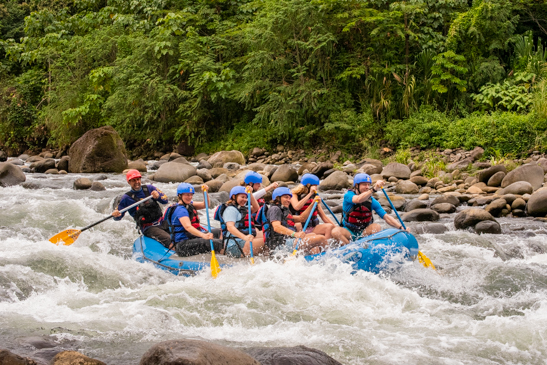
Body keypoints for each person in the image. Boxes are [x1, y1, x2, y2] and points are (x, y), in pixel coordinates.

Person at [340, 173, 407, 244]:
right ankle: (348, 248)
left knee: (376, 227)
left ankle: (367, 246)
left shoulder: (372, 201)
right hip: (349, 231)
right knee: (336, 232)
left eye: (368, 185)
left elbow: (386, 217)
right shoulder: (348, 195)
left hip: (364, 232)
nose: (367, 187)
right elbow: (358, 199)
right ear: (356, 185)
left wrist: (400, 227)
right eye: (364, 184)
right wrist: (373, 189)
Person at [113, 169, 171, 247]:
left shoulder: (150, 188)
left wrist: (158, 197)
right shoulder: (126, 198)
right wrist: (116, 214)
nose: (137, 182)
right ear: (129, 182)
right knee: (169, 239)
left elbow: (165, 200)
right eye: (133, 180)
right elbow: (118, 217)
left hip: (161, 222)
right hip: (148, 227)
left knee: (180, 232)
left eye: (138, 179)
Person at [164, 183, 224, 257]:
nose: (189, 197)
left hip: (192, 238)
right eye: (187, 195)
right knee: (215, 242)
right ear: (180, 195)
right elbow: (188, 227)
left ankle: (219, 252)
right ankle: (223, 257)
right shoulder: (180, 210)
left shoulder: (189, 204)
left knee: (218, 231)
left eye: (191, 195)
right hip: (183, 245)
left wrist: (205, 193)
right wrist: (203, 235)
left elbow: (206, 205)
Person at [264, 187, 328, 255]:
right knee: (321, 239)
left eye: (289, 198)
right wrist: (295, 234)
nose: (289, 200)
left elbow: (302, 218)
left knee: (313, 235)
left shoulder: (283, 211)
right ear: (277, 198)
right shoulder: (275, 209)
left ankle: (315, 257)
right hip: (281, 245)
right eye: (286, 197)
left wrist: (312, 204)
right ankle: (329, 257)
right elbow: (276, 227)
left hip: (288, 241)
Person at [290, 173, 347, 243]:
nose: (316, 188)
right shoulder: (294, 194)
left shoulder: (314, 196)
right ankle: (319, 246)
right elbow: (296, 207)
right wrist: (310, 194)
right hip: (300, 228)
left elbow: (324, 216)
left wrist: (336, 228)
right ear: (308, 186)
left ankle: (325, 248)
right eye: (315, 185)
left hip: (313, 227)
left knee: (329, 227)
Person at [215, 186, 265, 258]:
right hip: (234, 246)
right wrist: (245, 237)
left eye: (245, 197)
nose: (244, 200)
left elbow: (256, 208)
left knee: (266, 234)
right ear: (234, 196)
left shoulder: (241, 209)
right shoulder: (230, 210)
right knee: (267, 240)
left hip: (241, 242)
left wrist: (250, 193)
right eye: (242, 197)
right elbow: (230, 227)